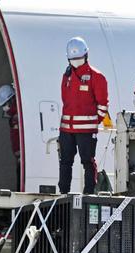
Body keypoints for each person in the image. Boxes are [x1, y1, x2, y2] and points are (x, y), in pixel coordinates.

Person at [58, 37, 109, 194]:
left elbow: (103, 105)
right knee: (65, 161)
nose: (76, 61)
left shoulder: (96, 76)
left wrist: (93, 122)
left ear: (86, 56)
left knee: (87, 161)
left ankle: (89, 192)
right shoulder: (66, 76)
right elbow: (65, 100)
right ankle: (63, 191)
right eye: (73, 59)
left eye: (78, 58)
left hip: (86, 131)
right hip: (67, 130)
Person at [0, 84, 20, 191]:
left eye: (5, 104)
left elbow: (16, 137)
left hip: (22, 157)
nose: (5, 108)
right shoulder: (14, 116)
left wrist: (18, 153)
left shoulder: (17, 116)